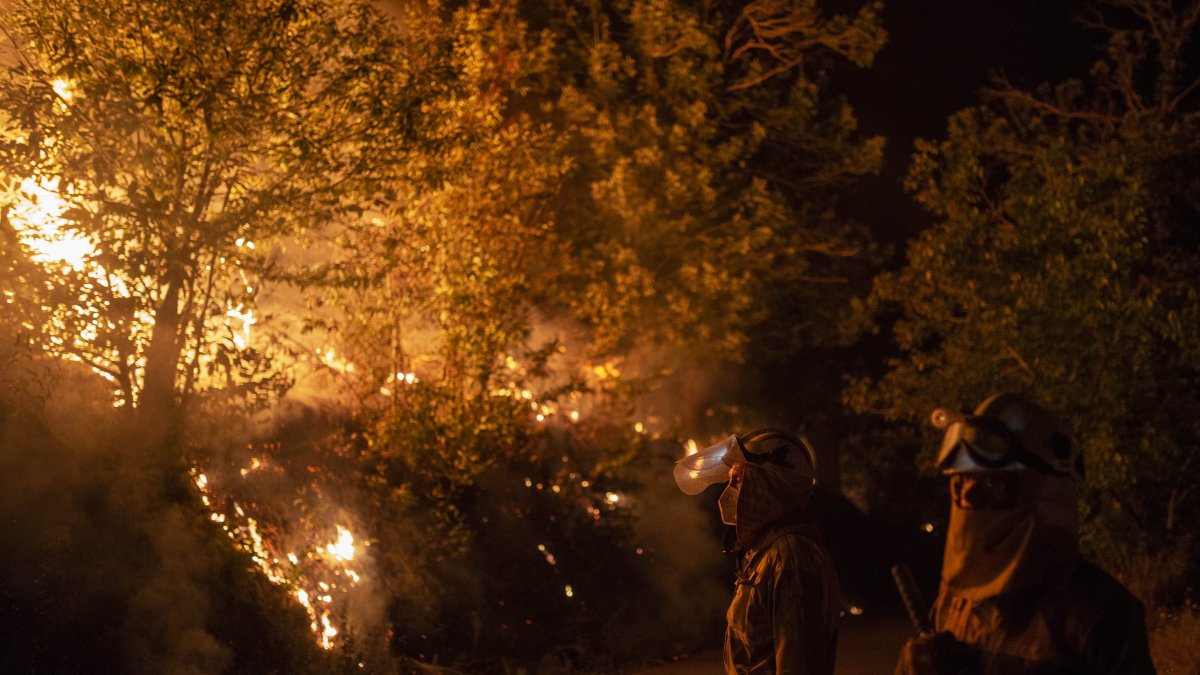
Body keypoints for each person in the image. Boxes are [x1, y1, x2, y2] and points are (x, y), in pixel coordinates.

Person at [895, 393, 1157, 675]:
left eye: (993, 485)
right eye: (961, 483)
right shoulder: (956, 601)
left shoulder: (1102, 615)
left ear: (1045, 493)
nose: (968, 498)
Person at [675, 429, 840, 675]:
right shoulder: (767, 555)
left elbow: (797, 665)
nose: (730, 487)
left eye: (739, 478)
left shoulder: (789, 558)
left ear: (772, 484)